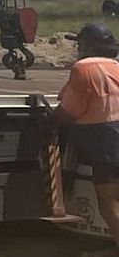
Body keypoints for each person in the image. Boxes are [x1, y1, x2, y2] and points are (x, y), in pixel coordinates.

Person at [59, 23, 119, 250]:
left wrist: (49, 123)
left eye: (80, 45)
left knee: (109, 201)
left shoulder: (84, 68)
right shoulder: (116, 65)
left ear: (87, 46)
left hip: (108, 145)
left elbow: (67, 111)